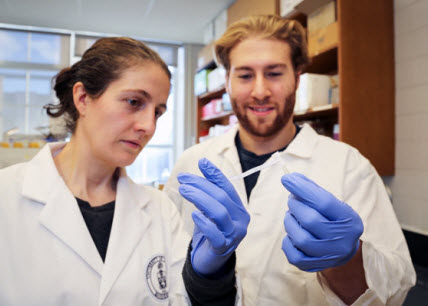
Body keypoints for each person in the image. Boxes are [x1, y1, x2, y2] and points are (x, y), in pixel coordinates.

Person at [0, 37, 248, 305]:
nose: (148, 126)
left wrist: (210, 275)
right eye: (134, 102)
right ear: (82, 98)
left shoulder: (160, 209)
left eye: (158, 112)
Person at [164, 15, 416, 305]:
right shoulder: (191, 163)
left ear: (297, 78)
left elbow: (396, 290)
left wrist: (348, 260)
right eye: (245, 75)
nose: (260, 91)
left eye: (274, 73)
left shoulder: (349, 166)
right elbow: (160, 277)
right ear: (228, 83)